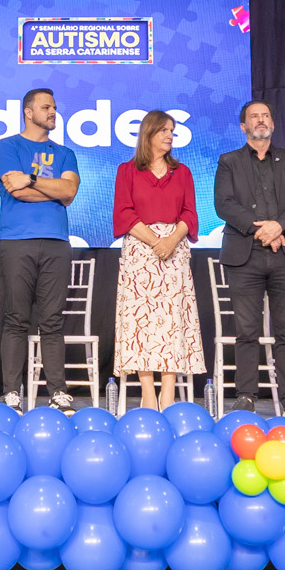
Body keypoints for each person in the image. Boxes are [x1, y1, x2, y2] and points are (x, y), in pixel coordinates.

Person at [214, 100, 285, 416]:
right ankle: (246, 396)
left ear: (272, 123)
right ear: (243, 126)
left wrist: (279, 226)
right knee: (247, 331)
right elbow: (224, 204)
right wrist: (263, 230)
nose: (261, 120)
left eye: (266, 115)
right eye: (254, 116)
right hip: (245, 255)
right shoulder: (229, 161)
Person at [0, 88, 81, 412]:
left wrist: (29, 179)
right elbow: (15, 192)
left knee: (53, 321)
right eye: (46, 107)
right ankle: (11, 393)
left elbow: (69, 191)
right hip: (18, 240)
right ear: (28, 112)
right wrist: (51, 188)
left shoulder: (65, 153)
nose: (53, 112)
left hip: (57, 242)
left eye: (54, 107)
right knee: (16, 318)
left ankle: (57, 392)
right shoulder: (7, 147)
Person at [112, 110, 202, 410]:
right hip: (141, 252)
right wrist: (155, 241)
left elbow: (189, 213)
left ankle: (168, 394)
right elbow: (124, 213)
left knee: (172, 322)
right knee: (141, 324)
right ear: (148, 133)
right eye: (164, 130)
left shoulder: (183, 172)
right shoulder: (127, 171)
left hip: (174, 252)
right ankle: (148, 394)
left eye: (171, 131)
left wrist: (171, 240)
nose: (169, 136)